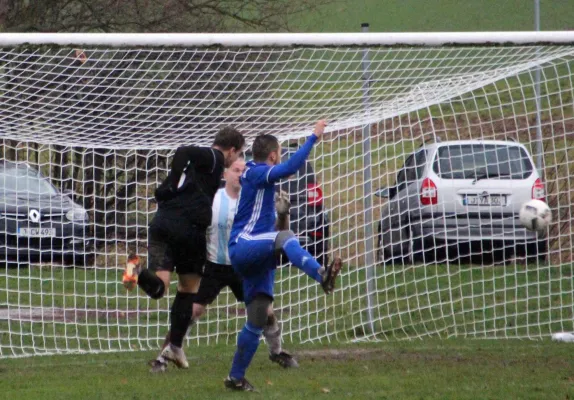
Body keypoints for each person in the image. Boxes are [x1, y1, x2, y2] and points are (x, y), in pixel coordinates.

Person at [224, 120, 343, 391]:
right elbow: (290, 168)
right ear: (274, 155)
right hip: (245, 245)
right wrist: (313, 137)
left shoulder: (258, 177)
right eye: (279, 153)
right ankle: (320, 274)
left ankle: (236, 378)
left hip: (257, 252)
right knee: (287, 238)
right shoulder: (256, 172)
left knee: (257, 318)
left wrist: (281, 213)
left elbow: (274, 232)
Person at [148, 158, 298, 372]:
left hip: (243, 265)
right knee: (191, 310)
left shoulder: (255, 199)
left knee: (265, 312)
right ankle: (165, 354)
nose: (239, 174)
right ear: (225, 174)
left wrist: (283, 213)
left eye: (243, 171)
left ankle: (277, 352)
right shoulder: (213, 199)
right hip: (213, 265)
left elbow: (278, 233)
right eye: (235, 170)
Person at [122, 126, 244, 368]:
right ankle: (175, 346)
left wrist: (169, 186)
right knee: (189, 289)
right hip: (188, 229)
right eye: (238, 154)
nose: (235, 160)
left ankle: (136, 269)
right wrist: (171, 182)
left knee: (159, 289)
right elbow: (183, 150)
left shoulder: (199, 168)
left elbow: (182, 164)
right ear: (231, 151)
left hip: (161, 224)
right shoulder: (214, 157)